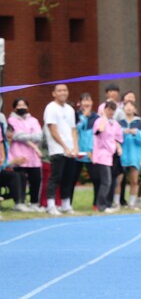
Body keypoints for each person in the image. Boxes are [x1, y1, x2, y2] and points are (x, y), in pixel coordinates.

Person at [43, 84, 79, 215]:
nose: (62, 92)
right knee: (55, 177)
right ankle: (51, 205)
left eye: (65, 90)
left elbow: (73, 129)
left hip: (70, 149)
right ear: (54, 93)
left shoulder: (70, 109)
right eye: (59, 90)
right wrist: (64, 146)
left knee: (68, 177)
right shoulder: (51, 108)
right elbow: (53, 130)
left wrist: (75, 146)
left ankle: (66, 204)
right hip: (57, 149)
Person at [7, 98, 44, 211]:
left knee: (36, 180)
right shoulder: (11, 120)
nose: (21, 107)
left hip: (33, 157)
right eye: (19, 105)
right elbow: (16, 135)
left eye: (24, 105)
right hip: (18, 155)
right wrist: (30, 135)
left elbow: (39, 136)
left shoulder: (33, 120)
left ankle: (34, 203)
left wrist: (24, 136)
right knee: (20, 180)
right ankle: (20, 202)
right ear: (14, 107)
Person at [91, 101, 123, 213]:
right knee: (106, 181)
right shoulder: (99, 121)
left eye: (112, 110)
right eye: (108, 109)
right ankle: (101, 205)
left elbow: (117, 138)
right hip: (102, 155)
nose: (110, 112)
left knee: (113, 181)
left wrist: (119, 147)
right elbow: (99, 130)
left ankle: (108, 204)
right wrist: (103, 116)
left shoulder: (115, 124)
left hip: (111, 155)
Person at [75, 92, 101, 209]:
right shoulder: (75, 116)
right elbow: (74, 131)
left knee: (96, 179)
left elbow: (97, 135)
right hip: (77, 152)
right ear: (80, 103)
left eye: (88, 100)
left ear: (92, 103)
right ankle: (67, 204)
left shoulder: (96, 118)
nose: (86, 103)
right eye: (84, 101)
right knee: (72, 179)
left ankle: (96, 204)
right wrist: (83, 118)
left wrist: (93, 150)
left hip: (91, 153)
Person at [119, 100, 141, 210]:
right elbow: (114, 136)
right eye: (126, 106)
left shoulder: (140, 123)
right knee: (118, 180)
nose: (129, 108)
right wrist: (123, 132)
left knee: (134, 180)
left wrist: (136, 133)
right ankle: (116, 202)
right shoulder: (120, 123)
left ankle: (132, 203)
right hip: (122, 154)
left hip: (135, 154)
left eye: (131, 106)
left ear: (135, 109)